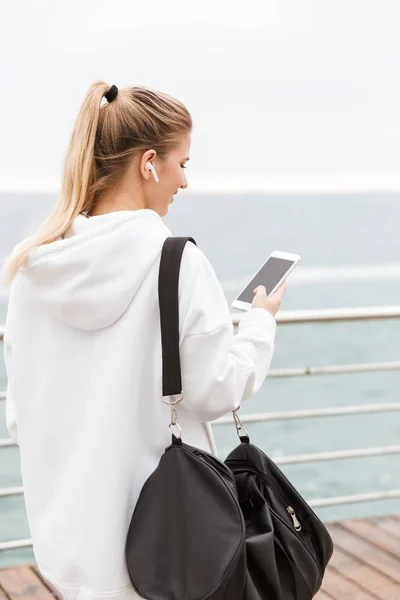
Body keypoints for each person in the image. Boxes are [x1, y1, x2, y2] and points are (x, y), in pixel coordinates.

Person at [1, 81, 287, 600]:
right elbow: (217, 388)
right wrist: (260, 323)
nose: (184, 181)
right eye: (182, 163)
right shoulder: (175, 261)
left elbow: (19, 413)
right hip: (160, 544)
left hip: (68, 542)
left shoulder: (30, 264)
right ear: (149, 162)